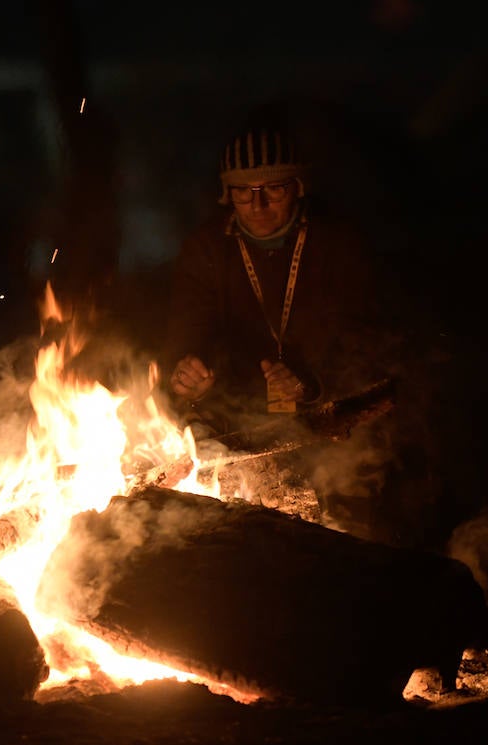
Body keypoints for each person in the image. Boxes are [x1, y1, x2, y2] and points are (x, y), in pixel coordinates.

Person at [158, 110, 405, 535]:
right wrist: (186, 373)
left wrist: (312, 384)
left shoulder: (338, 244)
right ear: (226, 194)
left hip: (334, 416)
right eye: (243, 192)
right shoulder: (207, 249)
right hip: (241, 416)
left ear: (297, 187)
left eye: (272, 188)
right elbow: (187, 330)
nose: (257, 204)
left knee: (351, 509)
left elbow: (371, 340)